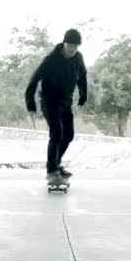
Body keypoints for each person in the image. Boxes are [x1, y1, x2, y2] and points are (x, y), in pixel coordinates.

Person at [25, 28, 87, 185]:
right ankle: (51, 172)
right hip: (49, 101)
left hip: (65, 102)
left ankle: (54, 165)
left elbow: (82, 76)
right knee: (57, 133)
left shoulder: (78, 58)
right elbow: (34, 79)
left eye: (75, 46)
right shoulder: (51, 59)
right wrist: (31, 104)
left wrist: (83, 95)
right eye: (69, 45)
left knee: (69, 135)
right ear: (64, 44)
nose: (72, 49)